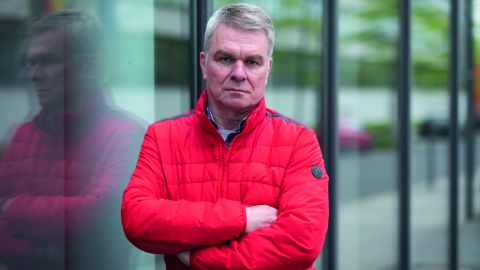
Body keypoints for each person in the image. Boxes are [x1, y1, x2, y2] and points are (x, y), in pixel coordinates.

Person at [121, 3, 329, 269]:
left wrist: (198, 257)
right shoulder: (162, 137)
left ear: (268, 70)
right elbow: (137, 220)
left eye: (252, 62)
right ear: (204, 64)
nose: (239, 74)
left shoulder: (298, 140)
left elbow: (301, 243)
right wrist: (242, 218)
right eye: (226, 59)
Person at [0, 11, 144, 270]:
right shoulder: (23, 135)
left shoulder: (127, 135)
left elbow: (97, 218)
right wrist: (52, 255)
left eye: (46, 61)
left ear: (87, 66)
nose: (32, 74)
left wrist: (13, 208)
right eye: (29, 63)